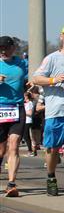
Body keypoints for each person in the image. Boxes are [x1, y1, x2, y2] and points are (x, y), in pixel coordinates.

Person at [31, 24, 64, 196]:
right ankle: (51, 178)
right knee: (53, 148)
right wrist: (53, 80)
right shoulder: (52, 58)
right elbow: (36, 79)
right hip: (55, 110)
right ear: (61, 37)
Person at [0, 36, 28, 197]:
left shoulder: (22, 63)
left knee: (14, 145)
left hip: (17, 108)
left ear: (13, 48)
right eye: (0, 48)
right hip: (0, 107)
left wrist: (31, 84)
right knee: (1, 149)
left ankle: (11, 184)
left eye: (6, 47)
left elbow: (33, 76)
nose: (3, 51)